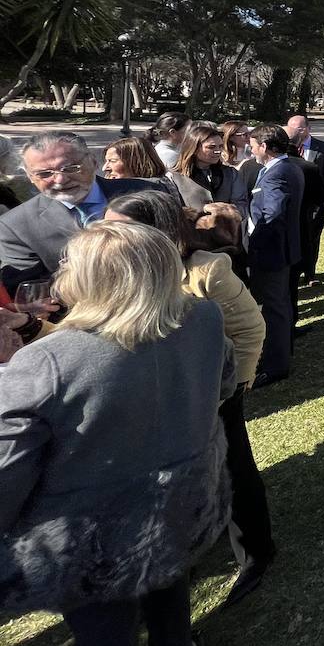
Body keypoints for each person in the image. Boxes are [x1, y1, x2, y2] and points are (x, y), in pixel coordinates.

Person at [0, 221, 235, 645]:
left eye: (68, 263)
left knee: (105, 632)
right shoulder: (204, 315)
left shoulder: (45, 362)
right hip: (180, 501)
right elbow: (225, 385)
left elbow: (8, 471)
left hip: (91, 536)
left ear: (88, 278)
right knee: (170, 597)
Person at [104, 191, 275, 605]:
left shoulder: (206, 270)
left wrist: (237, 386)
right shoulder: (110, 269)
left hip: (211, 392)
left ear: (157, 232)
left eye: (119, 228)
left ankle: (255, 551)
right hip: (149, 394)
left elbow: (250, 328)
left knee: (232, 465)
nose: (106, 235)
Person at [0, 131, 162, 292]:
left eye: (70, 168)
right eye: (44, 174)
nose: (60, 180)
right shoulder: (15, 226)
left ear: (93, 161)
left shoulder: (146, 193)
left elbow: (178, 250)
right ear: (30, 176)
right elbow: (27, 290)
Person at [246, 124, 304, 387]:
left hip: (272, 252)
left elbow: (273, 213)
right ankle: (281, 355)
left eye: (254, 144)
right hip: (284, 249)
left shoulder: (275, 174)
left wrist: (254, 240)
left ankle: (275, 365)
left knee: (274, 308)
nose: (251, 149)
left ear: (265, 147)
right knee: (280, 305)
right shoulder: (290, 166)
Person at [286, 115, 324, 285]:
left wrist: (322, 199)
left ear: (308, 128)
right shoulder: (284, 149)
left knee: (312, 237)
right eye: (291, 128)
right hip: (293, 203)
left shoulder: (323, 148)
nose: (294, 132)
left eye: (298, 129)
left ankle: (310, 273)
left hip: (314, 203)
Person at [166, 123, 250, 220]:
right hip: (192, 232)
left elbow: (242, 205)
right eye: (211, 147)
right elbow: (172, 211)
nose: (218, 151)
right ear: (194, 149)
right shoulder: (174, 177)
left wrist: (223, 211)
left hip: (225, 232)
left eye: (220, 146)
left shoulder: (230, 174)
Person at [102, 136, 167, 181]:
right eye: (106, 161)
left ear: (136, 163)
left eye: (112, 161)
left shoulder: (153, 192)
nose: (104, 168)